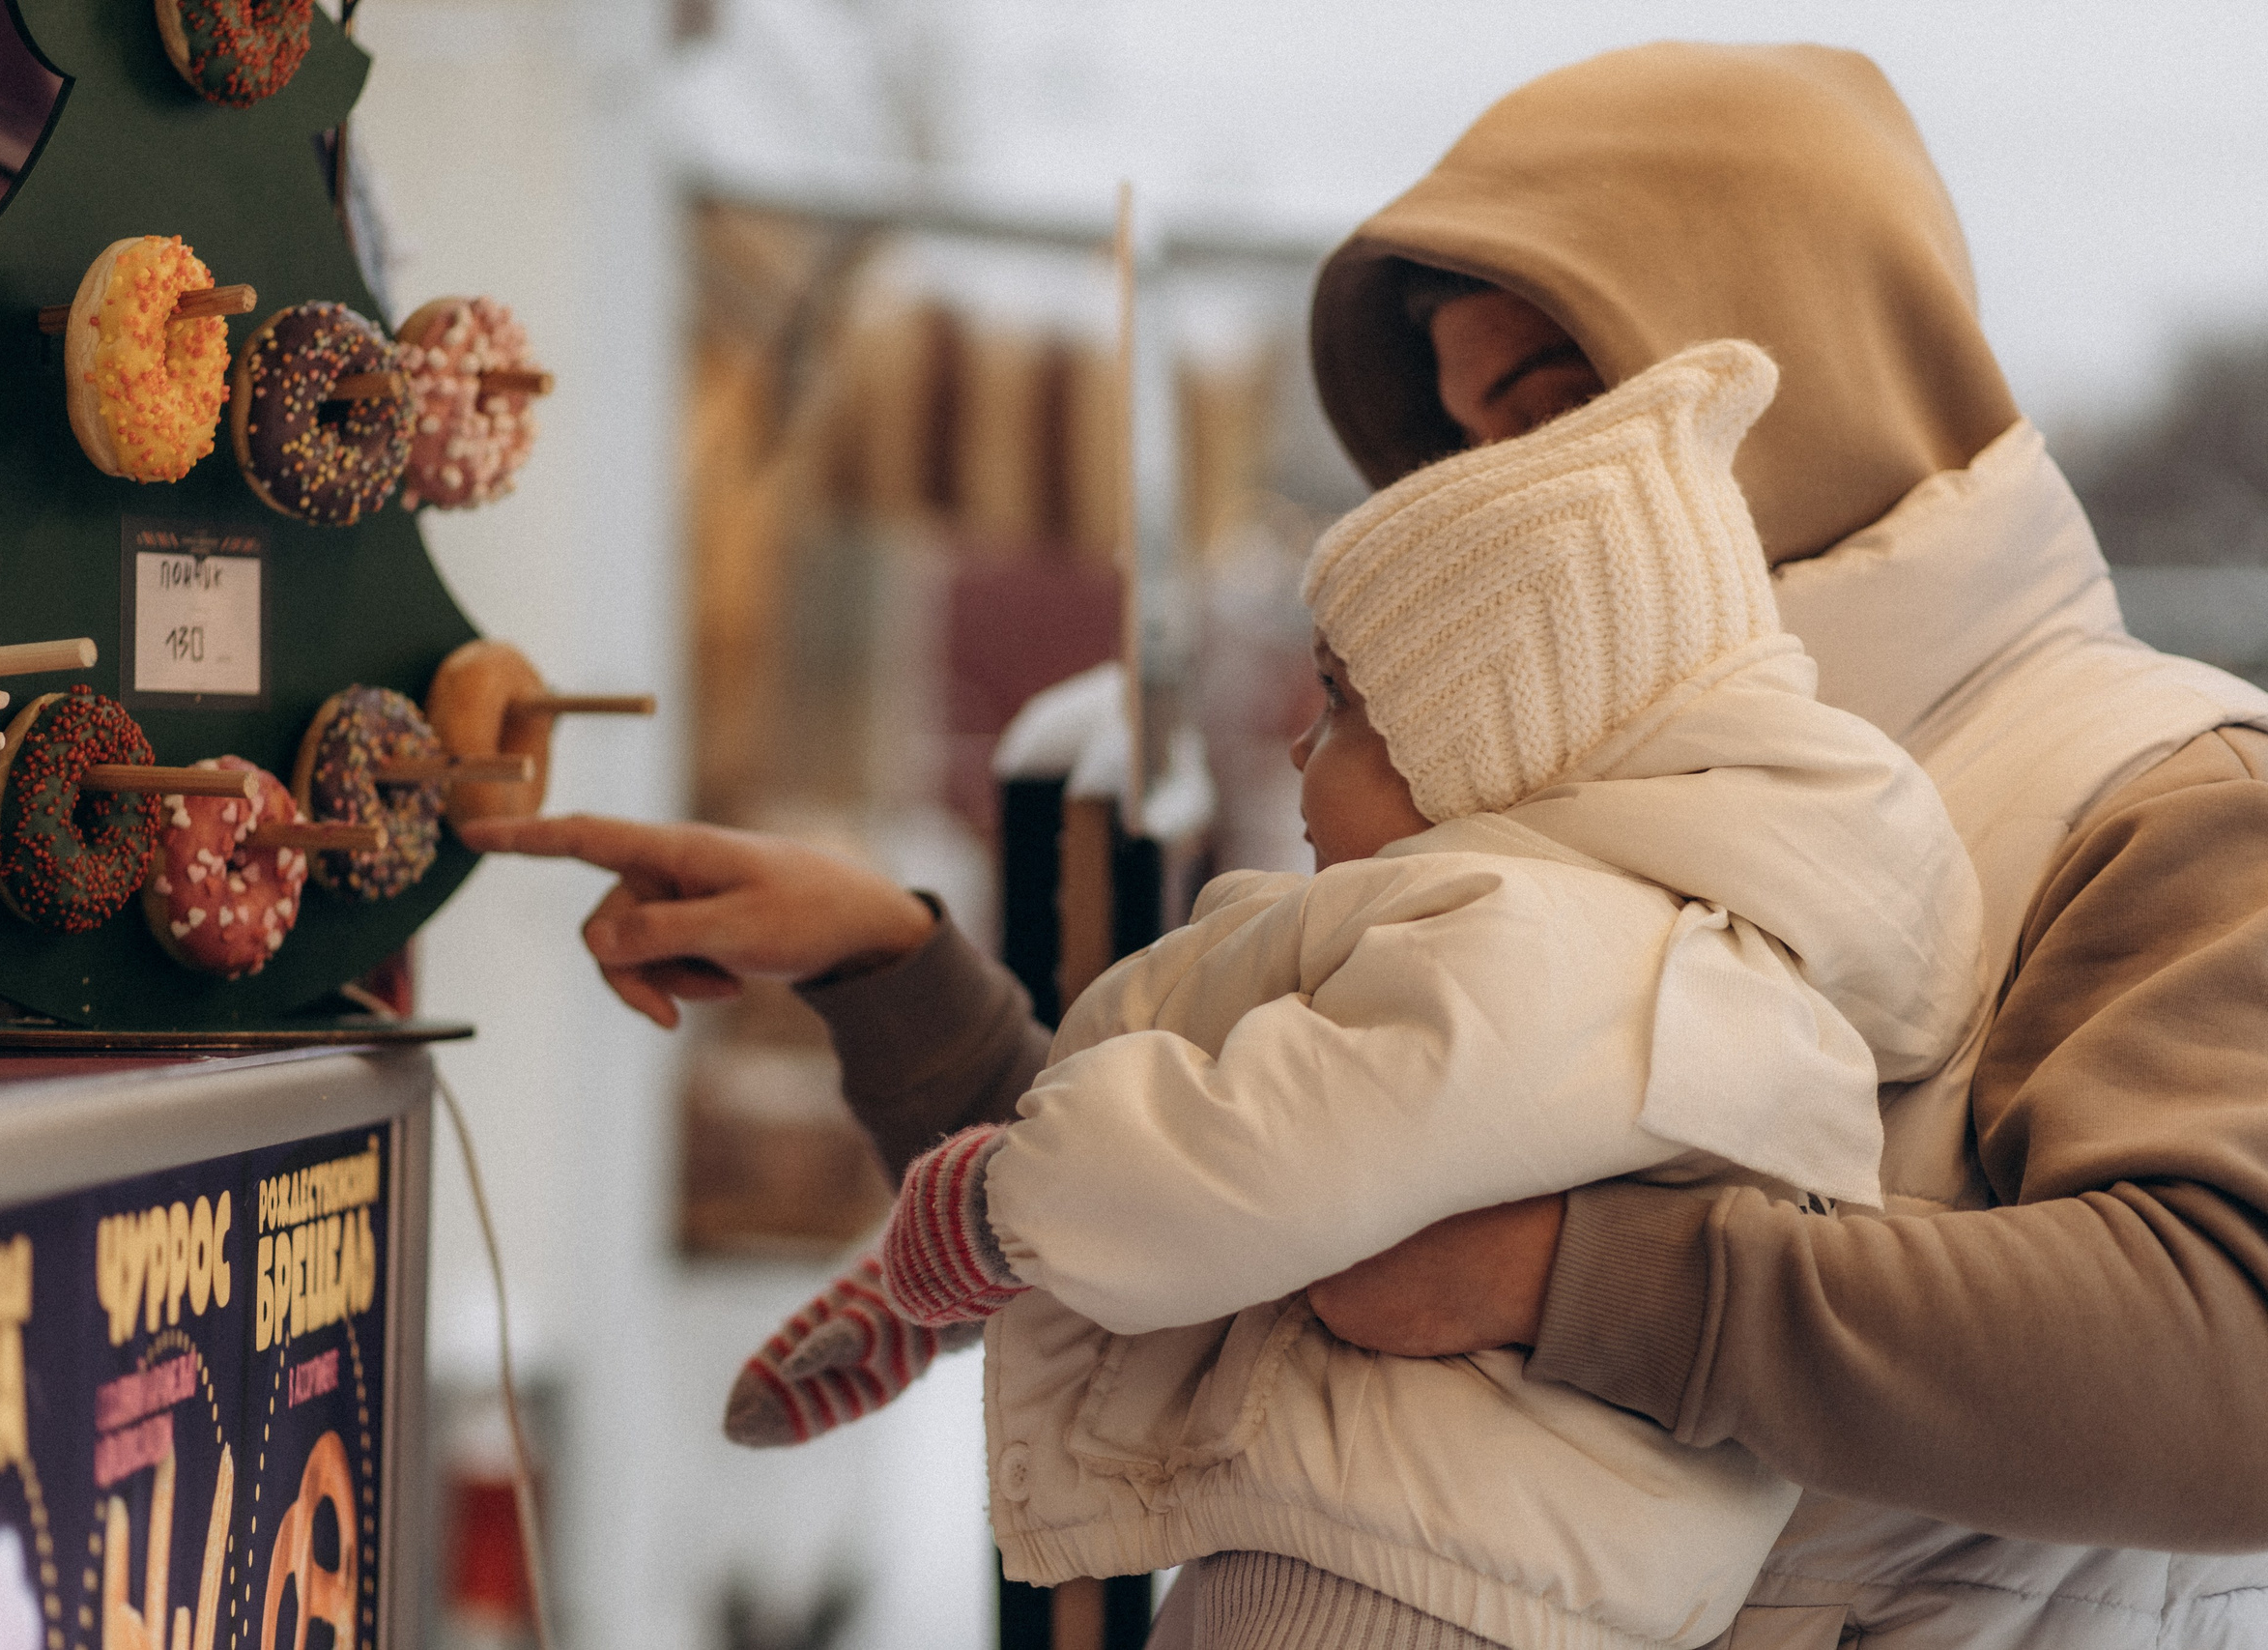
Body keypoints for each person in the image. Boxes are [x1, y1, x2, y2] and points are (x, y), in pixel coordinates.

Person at [464, 41, 2268, 1649]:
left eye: (1564, 403)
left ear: (1810, 354)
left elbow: (2235, 1356)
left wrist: (1589, 1284)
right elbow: (1272, 1183)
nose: (1504, 490)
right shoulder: (1573, 783)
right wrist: (897, 981)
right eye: (1475, 439)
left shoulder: (2154, 793)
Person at [851, 334, 1986, 1650]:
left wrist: (997, 1213)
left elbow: (1262, 1149)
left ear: (1490, 749)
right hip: (1461, 1570)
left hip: (1389, 1591)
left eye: (1341, 704)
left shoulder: (1552, 951)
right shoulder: (1658, 964)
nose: (1295, 737)